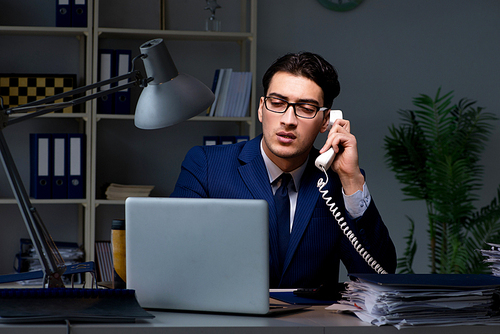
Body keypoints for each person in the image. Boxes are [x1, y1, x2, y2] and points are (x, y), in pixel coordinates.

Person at [170, 52, 396, 289]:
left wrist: (351, 179)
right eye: (277, 103)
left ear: (325, 122)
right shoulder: (205, 165)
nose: (288, 120)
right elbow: (173, 254)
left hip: (313, 325)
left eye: (306, 108)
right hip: (230, 322)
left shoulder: (337, 182)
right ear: (261, 109)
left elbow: (380, 275)